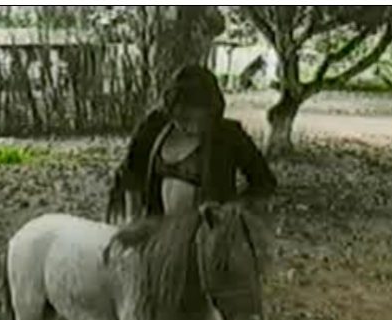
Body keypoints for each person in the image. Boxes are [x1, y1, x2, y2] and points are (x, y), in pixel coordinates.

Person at [106, 64, 277, 224]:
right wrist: (134, 220)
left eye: (201, 120)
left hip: (208, 233)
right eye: (185, 120)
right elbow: (131, 175)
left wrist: (235, 206)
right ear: (171, 110)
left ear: (212, 112)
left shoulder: (229, 136)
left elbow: (264, 182)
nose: (192, 127)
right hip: (157, 228)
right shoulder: (153, 128)